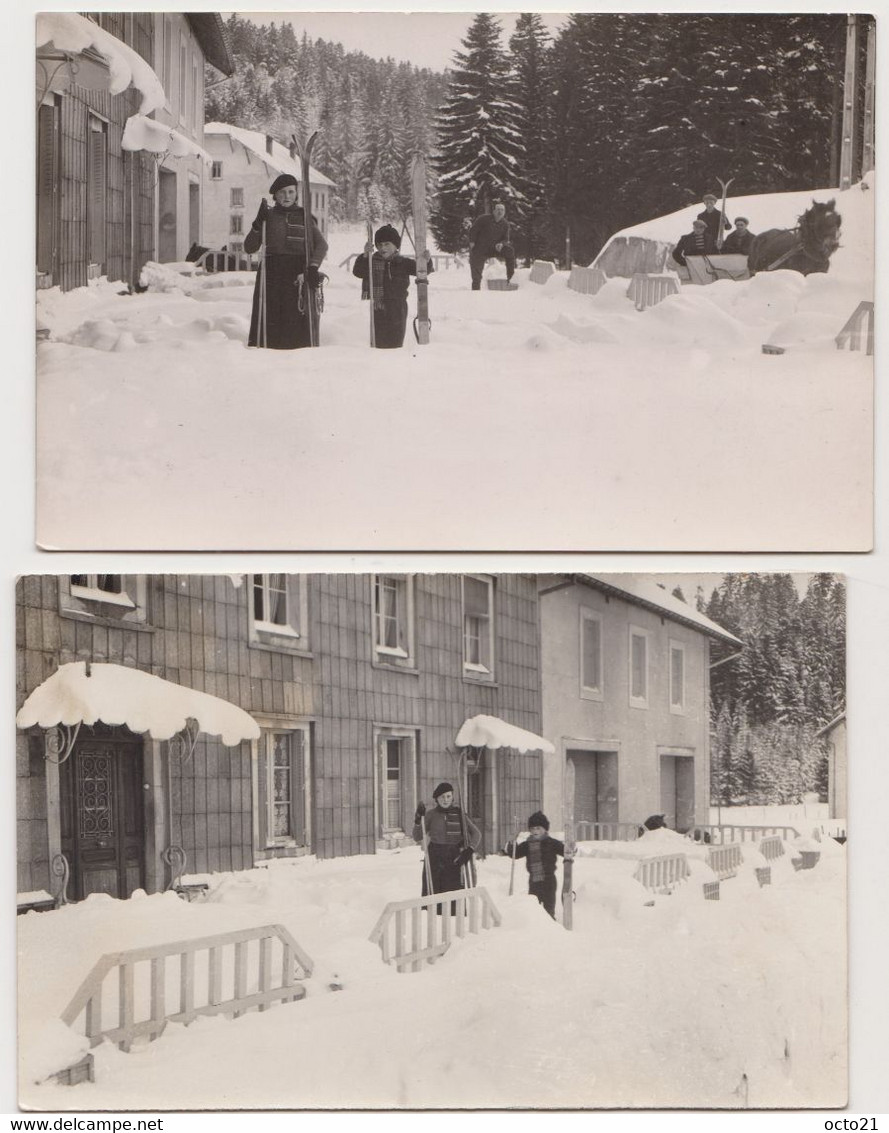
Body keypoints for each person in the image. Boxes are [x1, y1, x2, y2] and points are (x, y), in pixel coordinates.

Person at [244, 173, 328, 349]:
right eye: (282, 193)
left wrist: (312, 267)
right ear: (275, 196)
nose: (287, 196)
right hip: (271, 273)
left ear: (296, 193)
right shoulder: (268, 216)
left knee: (294, 317)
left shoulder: (305, 217)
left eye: (291, 192)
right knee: (271, 317)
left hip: (296, 272)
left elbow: (321, 245)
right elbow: (249, 247)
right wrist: (257, 224)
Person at [352, 224, 434, 348]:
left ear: (396, 246)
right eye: (379, 245)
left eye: (386, 244)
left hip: (397, 307)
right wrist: (365, 255)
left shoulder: (402, 263)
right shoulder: (372, 262)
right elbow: (358, 272)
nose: (382, 248)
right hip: (378, 306)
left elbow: (423, 270)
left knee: (395, 341)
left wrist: (427, 261)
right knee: (378, 342)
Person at [413, 782, 481, 897]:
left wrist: (469, 851)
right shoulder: (431, 815)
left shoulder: (459, 814)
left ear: (452, 797)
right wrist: (418, 820)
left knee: (453, 897)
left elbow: (477, 834)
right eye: (442, 797)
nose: (445, 800)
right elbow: (417, 836)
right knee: (433, 895)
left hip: (454, 858)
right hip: (434, 857)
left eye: (448, 796)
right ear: (437, 799)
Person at [505, 811, 565, 919]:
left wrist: (571, 848)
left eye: (538, 828)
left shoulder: (552, 843)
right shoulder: (527, 844)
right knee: (534, 909)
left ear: (545, 829)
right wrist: (511, 842)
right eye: (532, 829)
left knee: (549, 910)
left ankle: (550, 930)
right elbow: (515, 853)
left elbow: (566, 851)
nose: (535, 831)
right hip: (534, 882)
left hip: (549, 881)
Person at [469, 201, 516, 290]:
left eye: (502, 210)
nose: (500, 212)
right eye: (498, 209)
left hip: (495, 248)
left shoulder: (505, 224)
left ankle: (511, 278)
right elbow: (473, 230)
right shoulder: (483, 219)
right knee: (476, 266)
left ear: (504, 212)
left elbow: (506, 238)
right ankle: (476, 288)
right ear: (494, 211)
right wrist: (472, 242)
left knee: (510, 251)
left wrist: (501, 244)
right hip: (481, 248)